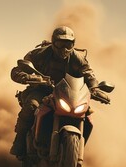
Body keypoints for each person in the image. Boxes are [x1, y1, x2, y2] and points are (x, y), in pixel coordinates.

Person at [9, 26, 108, 157]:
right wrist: (27, 76)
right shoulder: (39, 54)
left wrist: (95, 88)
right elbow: (17, 70)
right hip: (41, 90)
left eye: (68, 44)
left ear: (73, 44)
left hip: (69, 93)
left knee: (87, 113)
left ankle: (80, 151)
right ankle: (20, 142)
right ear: (54, 42)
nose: (64, 49)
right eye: (60, 43)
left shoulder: (78, 58)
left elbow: (89, 74)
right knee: (31, 106)